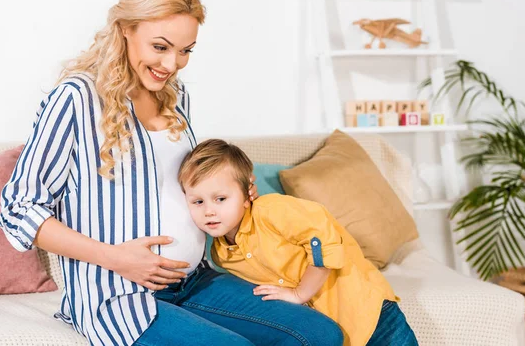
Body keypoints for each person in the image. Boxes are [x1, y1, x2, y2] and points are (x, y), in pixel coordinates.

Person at [0, 0, 343, 346]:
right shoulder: (77, 99)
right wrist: (115, 258)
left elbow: (187, 188)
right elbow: (18, 208)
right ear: (126, 28)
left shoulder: (176, 98)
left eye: (185, 50)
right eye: (160, 46)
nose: (173, 63)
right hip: (120, 294)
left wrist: (231, 202)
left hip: (194, 281)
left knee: (320, 334)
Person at [178, 139, 419, 346]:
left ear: (247, 194)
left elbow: (325, 238)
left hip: (369, 313)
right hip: (332, 328)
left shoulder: (272, 210)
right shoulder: (220, 253)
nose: (209, 211)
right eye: (198, 202)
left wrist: (299, 293)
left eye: (220, 199)